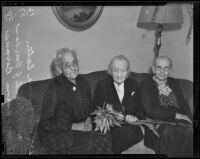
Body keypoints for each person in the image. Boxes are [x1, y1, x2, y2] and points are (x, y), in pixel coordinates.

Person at [38, 47, 112, 154]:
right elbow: (45, 123)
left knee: (107, 134)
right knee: (92, 141)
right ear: (59, 69)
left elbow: (90, 108)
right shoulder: (54, 88)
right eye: (67, 66)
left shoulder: (83, 83)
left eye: (74, 63)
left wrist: (89, 119)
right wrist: (74, 126)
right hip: (57, 133)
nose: (73, 68)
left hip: (80, 127)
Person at [138, 56, 193, 157]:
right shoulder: (145, 85)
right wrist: (176, 115)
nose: (162, 71)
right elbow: (149, 110)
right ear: (153, 69)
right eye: (159, 68)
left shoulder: (174, 82)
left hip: (176, 120)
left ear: (170, 70)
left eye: (166, 68)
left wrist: (189, 118)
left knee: (189, 130)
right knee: (167, 131)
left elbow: (183, 103)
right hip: (156, 121)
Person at [93, 55, 144, 154]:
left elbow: (141, 108)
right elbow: (97, 111)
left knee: (138, 132)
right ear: (110, 71)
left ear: (128, 72)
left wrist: (135, 116)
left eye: (123, 70)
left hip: (131, 125)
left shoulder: (134, 84)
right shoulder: (102, 86)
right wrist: (113, 116)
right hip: (111, 126)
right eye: (116, 70)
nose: (119, 74)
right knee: (122, 134)